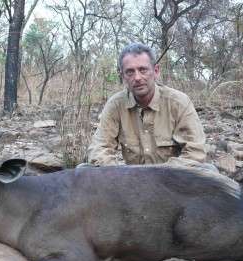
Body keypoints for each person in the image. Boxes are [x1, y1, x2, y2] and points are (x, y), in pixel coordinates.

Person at [87, 42, 217, 171]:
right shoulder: (115, 105)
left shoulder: (179, 102)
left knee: (208, 170)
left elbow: (195, 153)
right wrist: (122, 176)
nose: (137, 77)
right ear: (123, 76)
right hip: (131, 181)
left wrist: (158, 177)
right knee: (85, 169)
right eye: (130, 72)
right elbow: (99, 149)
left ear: (155, 71)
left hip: (171, 180)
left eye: (143, 70)